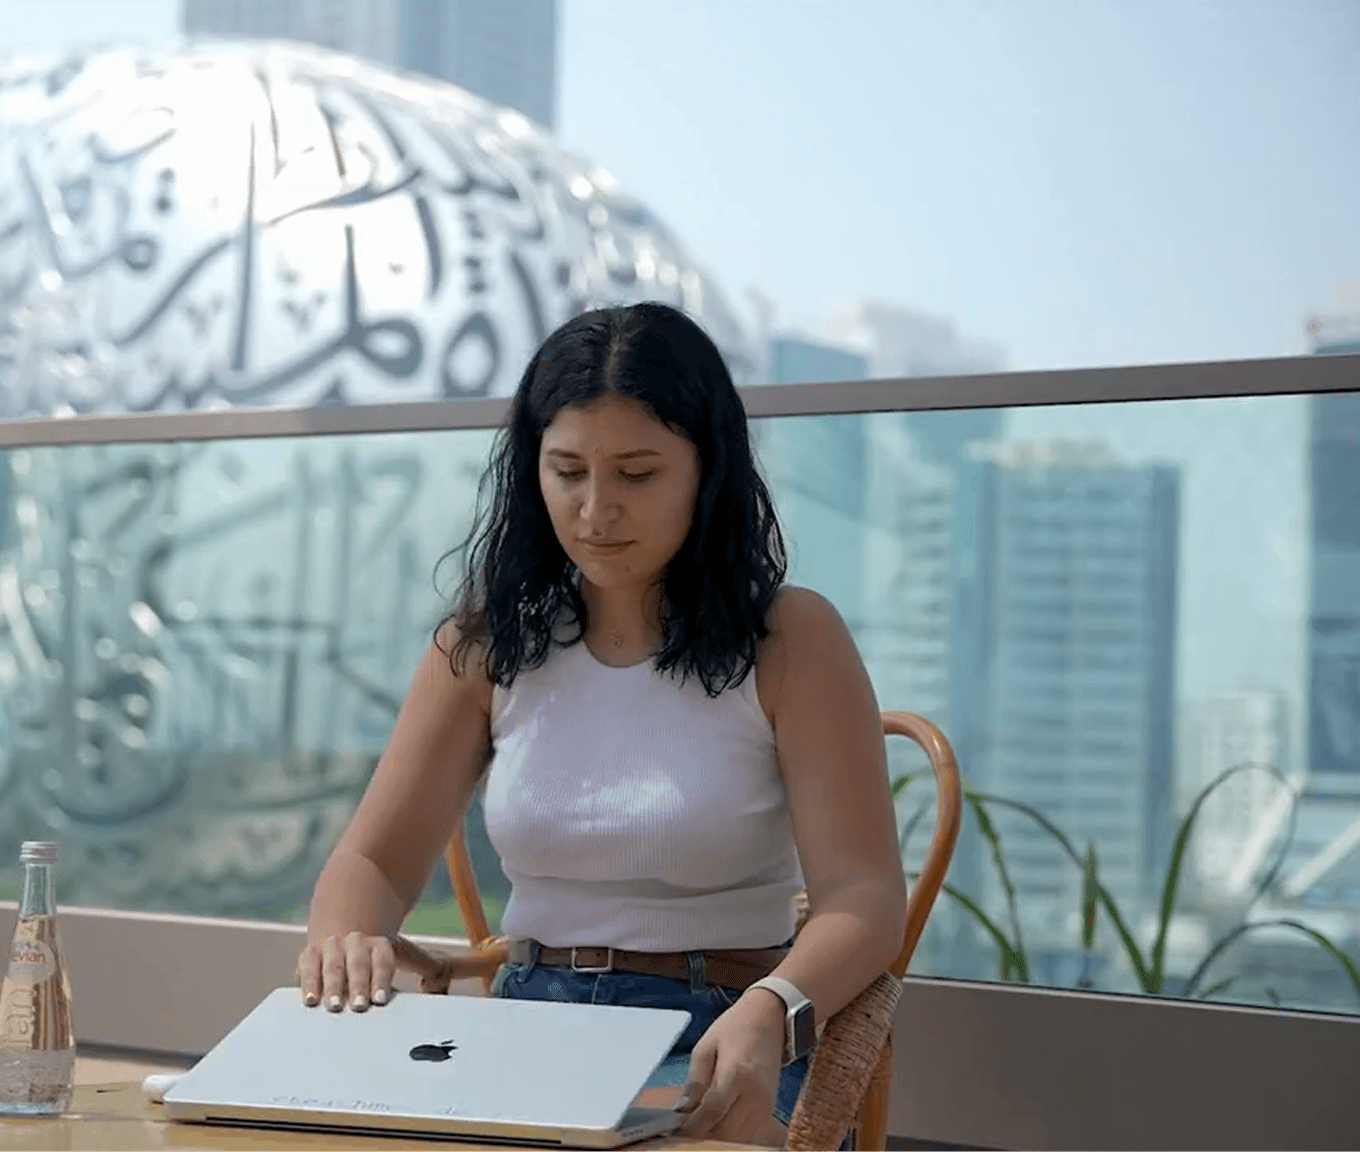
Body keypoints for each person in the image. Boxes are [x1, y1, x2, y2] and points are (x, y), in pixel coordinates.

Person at [296, 301, 906, 1147]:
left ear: (708, 469)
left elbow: (866, 898)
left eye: (637, 473)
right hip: (524, 1025)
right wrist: (345, 937)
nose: (595, 509)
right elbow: (372, 857)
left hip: (718, 1028)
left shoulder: (793, 638)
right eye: (568, 470)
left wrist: (775, 1008)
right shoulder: (483, 647)